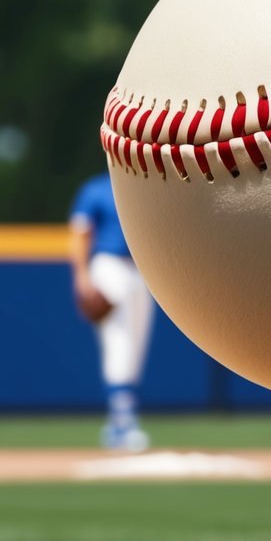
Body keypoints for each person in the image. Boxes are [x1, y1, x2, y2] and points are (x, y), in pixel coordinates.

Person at [69, 172, 154, 452]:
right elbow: (81, 233)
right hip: (109, 266)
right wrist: (81, 278)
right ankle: (121, 424)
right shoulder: (95, 189)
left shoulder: (144, 185)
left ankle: (122, 419)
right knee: (120, 342)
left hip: (143, 269)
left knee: (136, 345)